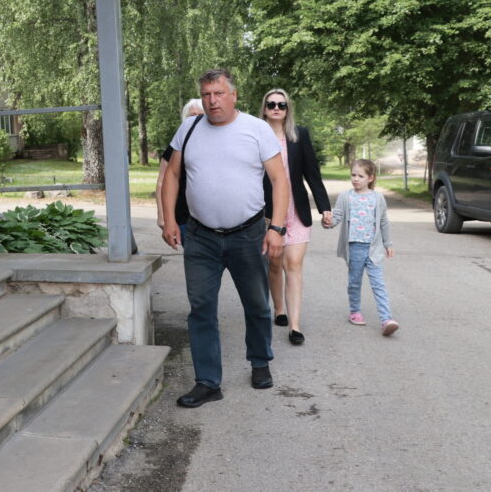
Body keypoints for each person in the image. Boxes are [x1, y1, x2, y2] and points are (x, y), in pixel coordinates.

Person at [158, 69, 290, 408]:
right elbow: (172, 175)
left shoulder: (256, 129)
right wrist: (170, 219)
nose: (212, 101)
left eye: (218, 93)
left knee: (257, 303)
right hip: (200, 236)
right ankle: (207, 382)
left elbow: (280, 180)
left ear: (233, 95)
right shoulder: (189, 128)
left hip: (248, 235)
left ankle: (259, 361)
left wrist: (276, 228)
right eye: (206, 94)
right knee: (201, 308)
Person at [259, 89, 332, 346]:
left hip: (296, 210)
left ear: (287, 109)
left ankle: (295, 325)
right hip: (268, 213)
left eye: (282, 104)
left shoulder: (299, 135)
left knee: (294, 264)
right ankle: (279, 309)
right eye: (271, 104)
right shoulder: (256, 137)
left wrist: (324, 207)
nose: (276, 108)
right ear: (264, 108)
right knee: (275, 263)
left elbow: (312, 173)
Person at [323, 159, 400, 336]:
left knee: (378, 284)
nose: (356, 179)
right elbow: (336, 218)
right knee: (354, 282)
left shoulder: (378, 198)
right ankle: (355, 311)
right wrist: (327, 222)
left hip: (374, 248)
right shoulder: (345, 197)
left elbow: (383, 222)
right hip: (354, 247)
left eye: (360, 176)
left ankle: (386, 319)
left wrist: (388, 244)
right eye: (353, 175)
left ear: (370, 178)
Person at [157, 98, 204, 243]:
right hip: (185, 218)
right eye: (192, 115)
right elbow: (161, 182)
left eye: (200, 115)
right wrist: (162, 217)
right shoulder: (175, 147)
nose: (196, 119)